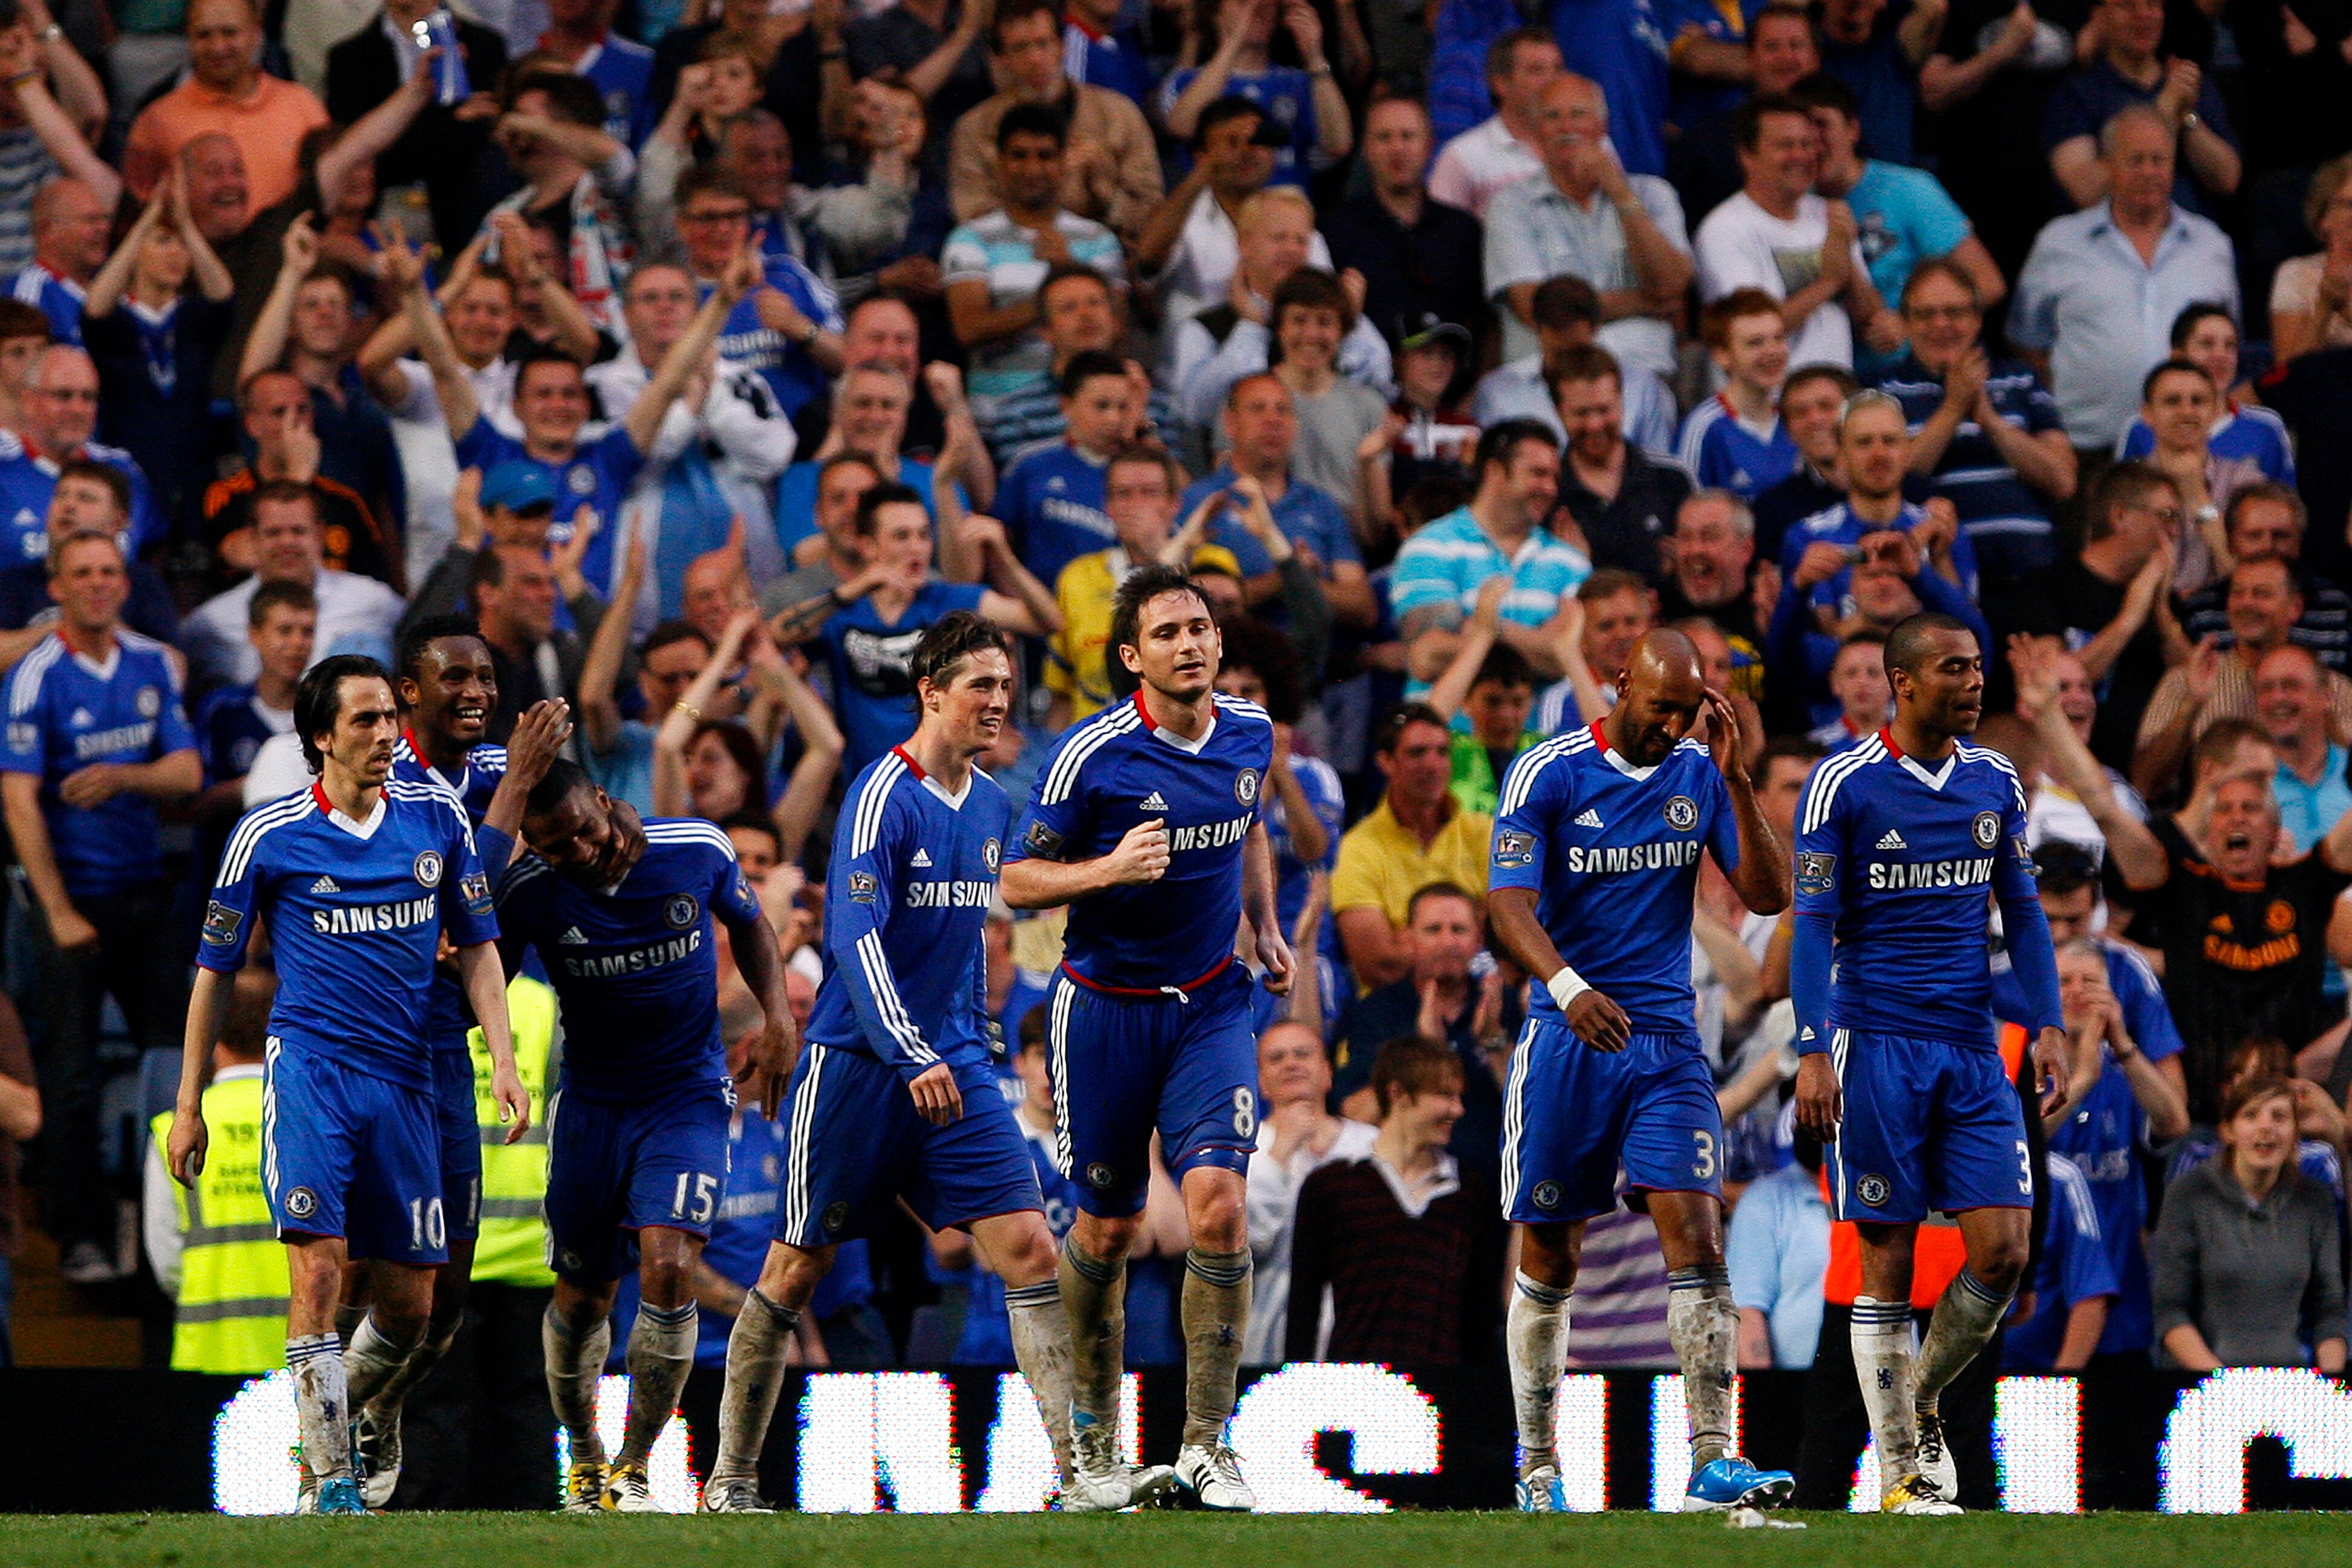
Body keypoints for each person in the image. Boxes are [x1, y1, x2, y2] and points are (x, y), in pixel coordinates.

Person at [714, 613, 1172, 1512]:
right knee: (795, 1270)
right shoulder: (883, 792)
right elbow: (854, 934)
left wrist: (971, 1032)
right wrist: (909, 1045)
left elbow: (968, 929)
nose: (999, 703)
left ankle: (1081, 1475)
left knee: (1033, 1246)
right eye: (980, 687)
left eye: (1006, 688)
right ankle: (730, 1479)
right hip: (857, 1062)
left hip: (953, 1062)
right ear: (931, 693)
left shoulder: (995, 803)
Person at [169, 655, 526, 1517]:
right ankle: (329, 1484)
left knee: (412, 1304)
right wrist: (189, 1106)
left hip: (408, 1081)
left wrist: (506, 1059)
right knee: (320, 1271)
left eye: (388, 719)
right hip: (313, 1075)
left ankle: (362, 1419)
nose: (385, 735)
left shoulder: (436, 816)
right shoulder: (268, 835)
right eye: (363, 721)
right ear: (321, 738)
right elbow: (213, 973)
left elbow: (478, 945)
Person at [1002, 565, 1294, 1511]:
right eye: (1167, 632)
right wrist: (1107, 868)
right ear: (1131, 657)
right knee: (1110, 1226)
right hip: (1104, 1010)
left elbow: (1250, 824)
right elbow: (1014, 881)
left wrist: (1268, 924)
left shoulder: (1252, 729)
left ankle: (1210, 1444)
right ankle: (1094, 1437)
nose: (1190, 644)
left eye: (1199, 627)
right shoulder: (1090, 756)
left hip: (1213, 1001)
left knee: (1217, 1207)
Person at [1489, 627, 1795, 1512]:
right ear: (1620, 684)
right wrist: (1566, 983)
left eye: (1687, 709)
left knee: (1698, 1237)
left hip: (1665, 1040)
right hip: (1567, 1035)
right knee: (1551, 1253)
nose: (1672, 725)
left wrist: (1736, 777)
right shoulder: (1550, 773)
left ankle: (1711, 1456)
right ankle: (1538, 1466)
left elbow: (1771, 895)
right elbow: (1506, 900)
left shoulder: (1701, 773)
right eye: (1660, 706)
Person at [471, 696, 791, 1512]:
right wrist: (499, 1057)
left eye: (585, 827)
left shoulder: (695, 848)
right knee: (581, 1296)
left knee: (670, 1262)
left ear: (607, 800)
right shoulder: (535, 891)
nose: (582, 849)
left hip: (685, 1095)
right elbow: (478, 972)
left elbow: (751, 926)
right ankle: (583, 1449)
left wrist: (779, 1017)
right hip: (592, 1108)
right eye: (557, 845)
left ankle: (637, 1465)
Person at [1791, 612, 2073, 1514]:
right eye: (1956, 669)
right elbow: (1813, 926)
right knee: (1888, 1257)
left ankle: (1916, 1398)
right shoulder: (1843, 785)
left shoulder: (1995, 779)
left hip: (1970, 1045)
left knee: (2003, 1249)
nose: (1976, 682)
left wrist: (2052, 1021)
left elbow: (2023, 914)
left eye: (1981, 667)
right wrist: (1810, 1047)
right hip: (1875, 1042)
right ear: (1903, 683)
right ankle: (1905, 1473)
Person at [341, 616, 512, 1503]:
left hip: (450, 1046)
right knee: (363, 1262)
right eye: (456, 678)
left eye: (485, 676)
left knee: (451, 1281)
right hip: (367, 1046)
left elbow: (577, 830)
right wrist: (520, 790)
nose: (477, 693)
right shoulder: (382, 777)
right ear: (409, 694)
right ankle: (329, 1432)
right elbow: (460, 887)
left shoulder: (491, 774)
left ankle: (376, 1406)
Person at [1, 529, 199, 1284]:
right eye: (81, 573)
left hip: (145, 897)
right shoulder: (36, 674)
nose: (97, 584)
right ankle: (81, 1235)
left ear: (125, 582)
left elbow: (184, 773)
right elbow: (18, 802)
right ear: (56, 586)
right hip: (71, 901)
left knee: (175, 1063)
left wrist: (123, 778)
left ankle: (175, 1222)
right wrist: (54, 910)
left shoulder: (150, 662)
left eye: (110, 572)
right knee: (73, 1074)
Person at [2009, 105, 2241, 457]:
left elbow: (2227, 343)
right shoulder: (2060, 242)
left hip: (2193, 450)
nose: (2149, 171)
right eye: (2136, 160)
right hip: (2087, 450)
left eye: (2159, 160)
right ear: (2107, 165)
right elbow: (2028, 343)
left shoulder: (2212, 245)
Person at [795, 480, 1057, 776]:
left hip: (943, 782)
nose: (916, 548)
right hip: (870, 782)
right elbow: (779, 635)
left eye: (923, 535)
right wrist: (856, 588)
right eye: (901, 536)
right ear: (868, 546)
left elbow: (1047, 622)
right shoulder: (845, 612)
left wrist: (1003, 555)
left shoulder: (947, 600)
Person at [1284, 1036, 1500, 1364]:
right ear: (1398, 1094)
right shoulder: (1330, 1188)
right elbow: (1303, 1312)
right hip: (1354, 1397)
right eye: (1444, 1095)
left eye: (1459, 1096)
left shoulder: (1470, 1193)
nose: (1458, 1110)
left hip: (1446, 1399)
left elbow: (1480, 1322)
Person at [1872, 259, 2074, 592]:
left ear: (1977, 319)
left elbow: (2063, 480)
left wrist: (1990, 422)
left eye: (1955, 312)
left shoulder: (2020, 378)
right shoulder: (1884, 390)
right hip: (1936, 575)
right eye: (1926, 314)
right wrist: (1953, 408)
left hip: (2033, 572)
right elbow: (1888, 476)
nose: (1941, 324)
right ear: (1906, 323)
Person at [1485, 74, 1692, 382]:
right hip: (1548, 378)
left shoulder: (1652, 194)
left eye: (1578, 115)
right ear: (1537, 132)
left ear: (1602, 127)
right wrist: (1643, 302)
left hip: (1644, 373)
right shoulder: (1510, 205)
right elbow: (1537, 308)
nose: (1566, 127)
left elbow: (1672, 287)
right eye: (1553, 117)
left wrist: (1621, 195)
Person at [942, 106, 1126, 434]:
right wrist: (1057, 296)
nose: (1032, 168)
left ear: (1063, 162)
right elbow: (968, 328)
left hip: (1089, 416)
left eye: (1045, 156)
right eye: (1019, 155)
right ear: (998, 161)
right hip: (995, 419)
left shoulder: (1098, 240)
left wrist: (1068, 269)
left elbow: (1115, 330)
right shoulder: (970, 239)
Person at [2149, 1074, 2347, 1372]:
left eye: (2279, 1117)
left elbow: (2329, 1311)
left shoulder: (2316, 1201)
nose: (2266, 1127)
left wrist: (2329, 1382)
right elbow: (2171, 1310)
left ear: (2295, 1133)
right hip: (2203, 1386)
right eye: (2251, 1115)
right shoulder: (2188, 1194)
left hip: (2290, 1387)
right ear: (2227, 1131)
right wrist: (2224, 1384)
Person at [1694, 93, 1898, 373]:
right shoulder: (1723, 230)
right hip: (1768, 403)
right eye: (1785, 146)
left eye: (1807, 144)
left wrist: (1848, 265)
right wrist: (1828, 283)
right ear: (1747, 156)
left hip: (1836, 396)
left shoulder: (1829, 215)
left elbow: (1870, 321)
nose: (1801, 156)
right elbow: (1747, 332)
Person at [1794, 71, 2007, 335]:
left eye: (1822, 124)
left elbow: (1987, 284)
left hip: (1915, 366)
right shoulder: (1792, 205)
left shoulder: (1908, 188)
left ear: (1853, 129)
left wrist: (1909, 326)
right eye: (1803, 131)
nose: (1813, 141)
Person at [2129, 555, 2352, 799]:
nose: (2246, 604)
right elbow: (2144, 785)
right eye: (2238, 593)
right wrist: (2192, 704)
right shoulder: (2185, 680)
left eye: (2262, 594)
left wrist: (2320, 710)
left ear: (2295, 608)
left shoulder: (2333, 687)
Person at [145, 970, 279, 1372]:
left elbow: (165, 1256)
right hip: (308, 1359)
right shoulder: (317, 1119)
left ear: (208, 1037)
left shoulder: (174, 1130)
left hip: (209, 1353)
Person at [945, 0, 1161, 242]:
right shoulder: (974, 128)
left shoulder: (1119, 113)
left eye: (1043, 44)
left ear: (1062, 46)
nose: (1035, 59)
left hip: (1108, 255)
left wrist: (1103, 184)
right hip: (1012, 262)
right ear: (1001, 58)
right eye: (1020, 48)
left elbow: (1151, 214)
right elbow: (972, 216)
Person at [1333, 703, 1496, 990]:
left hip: (1477, 1005)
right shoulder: (1357, 848)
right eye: (1417, 753)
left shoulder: (1484, 831)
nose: (1433, 765)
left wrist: (1411, 942)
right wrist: (1468, 937)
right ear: (1385, 761)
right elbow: (1378, 965)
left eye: (1443, 752)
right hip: (1393, 1015)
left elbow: (1508, 935)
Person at [181, 484, 409, 690]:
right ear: (252, 537)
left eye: (298, 531)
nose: (287, 543)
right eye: (274, 533)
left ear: (321, 534)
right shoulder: (211, 623)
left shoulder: (373, 601)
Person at [120, 0, 330, 217]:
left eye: (230, 33)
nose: (218, 47)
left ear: (256, 33)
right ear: (188, 37)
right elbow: (141, 210)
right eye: (203, 35)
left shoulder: (301, 105)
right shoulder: (158, 119)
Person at [1244, 1019, 1376, 1363]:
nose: (1290, 1064)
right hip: (1267, 1334)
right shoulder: (1243, 1150)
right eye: (1276, 1058)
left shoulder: (1371, 1146)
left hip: (1357, 1332)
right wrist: (1281, 1151)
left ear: (1328, 1073)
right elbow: (1247, 1240)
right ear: (1260, 1081)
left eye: (1302, 1054)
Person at [2043, 0, 2239, 217]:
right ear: (2100, 17)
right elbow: (2085, 191)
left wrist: (2186, 117)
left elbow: (2228, 180)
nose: (2144, 15)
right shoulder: (2077, 94)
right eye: (2127, 6)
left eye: (2153, 5)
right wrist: (2163, 114)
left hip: (2191, 240)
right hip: (2108, 242)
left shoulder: (2187, 82)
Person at [1322, 97, 1486, 354]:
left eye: (1408, 136)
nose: (1397, 148)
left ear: (1429, 146)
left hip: (1455, 383)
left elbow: (1486, 323)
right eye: (1384, 138)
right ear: (1366, 148)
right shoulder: (1336, 230)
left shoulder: (1464, 231)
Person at [1469, 275, 1676, 457]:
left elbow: (1656, 470)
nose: (1567, 365)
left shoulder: (1642, 387)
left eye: (1578, 352)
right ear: (1537, 330)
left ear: (1596, 329)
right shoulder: (1498, 393)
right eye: (1558, 353)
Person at [1160, 0, 1353, 188]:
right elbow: (1180, 127)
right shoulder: (1186, 80)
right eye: (1243, 2)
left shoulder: (1300, 82)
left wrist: (1315, 57)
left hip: (1285, 209)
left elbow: (1339, 145)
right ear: (1215, 14)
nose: (1258, 8)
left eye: (1268, 4)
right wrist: (1232, 42)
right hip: (1216, 212)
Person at [1555, 345, 1694, 581]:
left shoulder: (1671, 478)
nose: (1594, 425)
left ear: (1622, 403)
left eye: (1604, 410)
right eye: (1581, 413)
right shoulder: (1548, 488)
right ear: (1559, 412)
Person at [1429, 26, 1562, 220]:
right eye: (1537, 70)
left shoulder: (1594, 141)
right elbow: (1441, 235)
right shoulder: (1462, 156)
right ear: (1501, 84)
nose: (1552, 81)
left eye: (1557, 69)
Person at [1677, 290, 1795, 504]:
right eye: (1755, 343)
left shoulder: (1796, 418)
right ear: (1722, 355)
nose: (1772, 351)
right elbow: (1687, 512)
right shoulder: (1704, 428)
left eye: (1779, 338)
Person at [5, 178, 109, 346]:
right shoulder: (27, 297)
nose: (103, 228)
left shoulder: (113, 291)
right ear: (48, 231)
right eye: (90, 220)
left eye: (105, 219)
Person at [2272, 155, 2352, 364]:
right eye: (2350, 204)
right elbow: (2288, 373)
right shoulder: (2296, 274)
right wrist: (2325, 306)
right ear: (2324, 217)